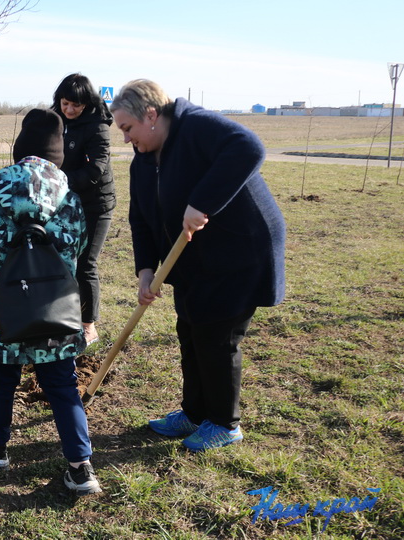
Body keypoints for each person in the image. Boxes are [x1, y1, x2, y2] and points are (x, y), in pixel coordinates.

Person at [109, 79, 286, 451]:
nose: (125, 139)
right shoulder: (143, 160)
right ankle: (194, 412)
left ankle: (225, 423)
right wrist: (146, 271)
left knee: (217, 335)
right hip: (194, 254)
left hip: (238, 251)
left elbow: (249, 147)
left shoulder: (197, 127)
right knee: (189, 329)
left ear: (151, 115)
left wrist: (203, 201)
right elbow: (140, 218)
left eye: (127, 128)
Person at [0, 108, 102, 496]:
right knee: (63, 387)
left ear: (19, 153)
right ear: (57, 158)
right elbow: (80, 251)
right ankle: (80, 468)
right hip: (56, 312)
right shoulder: (70, 201)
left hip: (3, 315)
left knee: (0, 380)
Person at [51, 74, 115, 345]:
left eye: (75, 105)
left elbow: (97, 168)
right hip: (63, 201)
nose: (69, 110)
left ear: (87, 103)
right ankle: (63, 318)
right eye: (65, 104)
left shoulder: (98, 126)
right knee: (63, 262)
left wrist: (60, 181)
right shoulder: (55, 120)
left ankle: (88, 326)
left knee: (85, 263)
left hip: (95, 203)